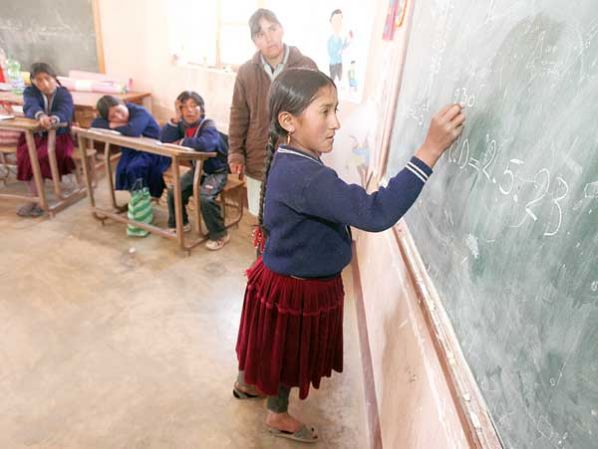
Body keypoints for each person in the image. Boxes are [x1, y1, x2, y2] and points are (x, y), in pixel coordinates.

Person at [233, 68, 465, 443]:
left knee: (269, 341)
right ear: (288, 121)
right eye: (325, 111)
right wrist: (429, 150)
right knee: (288, 354)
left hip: (278, 275)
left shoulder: (290, 155)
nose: (336, 123)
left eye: (336, 109)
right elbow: (375, 213)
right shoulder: (307, 176)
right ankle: (276, 415)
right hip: (297, 290)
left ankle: (247, 383)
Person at [228, 8, 317, 216]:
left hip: (296, 162)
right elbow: (238, 114)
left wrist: (313, 153)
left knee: (290, 220)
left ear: (281, 29)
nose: (269, 38)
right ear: (254, 41)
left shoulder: (306, 66)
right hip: (258, 161)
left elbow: (316, 115)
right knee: (261, 220)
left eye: (272, 29)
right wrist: (235, 153)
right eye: (261, 34)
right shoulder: (246, 72)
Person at [160, 90, 230, 250]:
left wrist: (182, 142)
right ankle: (180, 223)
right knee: (174, 191)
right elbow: (164, 140)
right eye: (184, 107)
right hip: (197, 170)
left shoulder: (208, 124)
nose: (189, 110)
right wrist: (176, 118)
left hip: (216, 172)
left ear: (201, 109)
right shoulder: (182, 125)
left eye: (193, 106)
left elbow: (207, 144)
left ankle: (220, 234)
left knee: (205, 198)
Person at [16, 62, 75, 217]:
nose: (45, 84)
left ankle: (39, 201)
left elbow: (65, 111)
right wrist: (41, 116)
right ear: (33, 81)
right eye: (39, 80)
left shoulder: (63, 93)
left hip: (60, 136)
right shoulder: (30, 92)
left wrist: (54, 119)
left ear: (54, 78)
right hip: (34, 136)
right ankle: (34, 198)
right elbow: (30, 107)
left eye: (47, 78)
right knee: (25, 156)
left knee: (41, 157)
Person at [91, 96, 170, 199]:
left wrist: (114, 125)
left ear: (124, 104)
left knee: (135, 168)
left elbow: (133, 131)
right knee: (122, 169)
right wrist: (112, 125)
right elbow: (95, 124)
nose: (119, 117)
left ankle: (143, 198)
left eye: (119, 111)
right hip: (132, 150)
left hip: (155, 151)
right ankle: (137, 197)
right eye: (113, 117)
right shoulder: (115, 118)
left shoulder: (140, 112)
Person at [327, 9, 352, 84]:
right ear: (331, 22)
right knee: (332, 82)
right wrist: (339, 51)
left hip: (339, 63)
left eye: (340, 20)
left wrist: (348, 41)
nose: (339, 23)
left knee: (340, 81)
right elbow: (331, 53)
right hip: (333, 64)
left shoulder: (340, 39)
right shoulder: (330, 39)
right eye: (336, 21)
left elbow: (343, 47)